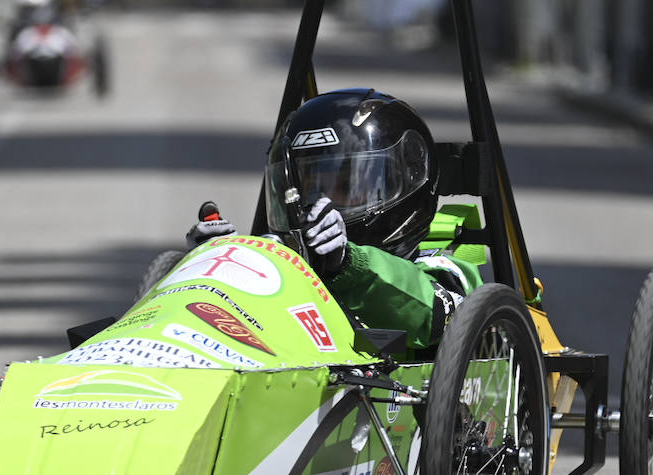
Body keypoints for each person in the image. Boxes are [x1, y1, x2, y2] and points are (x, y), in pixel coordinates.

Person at [185, 89, 481, 351]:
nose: (322, 204)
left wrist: (348, 264)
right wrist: (218, 263)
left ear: (405, 181)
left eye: (347, 187)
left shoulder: (443, 268)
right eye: (310, 190)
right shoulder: (292, 262)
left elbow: (434, 313)